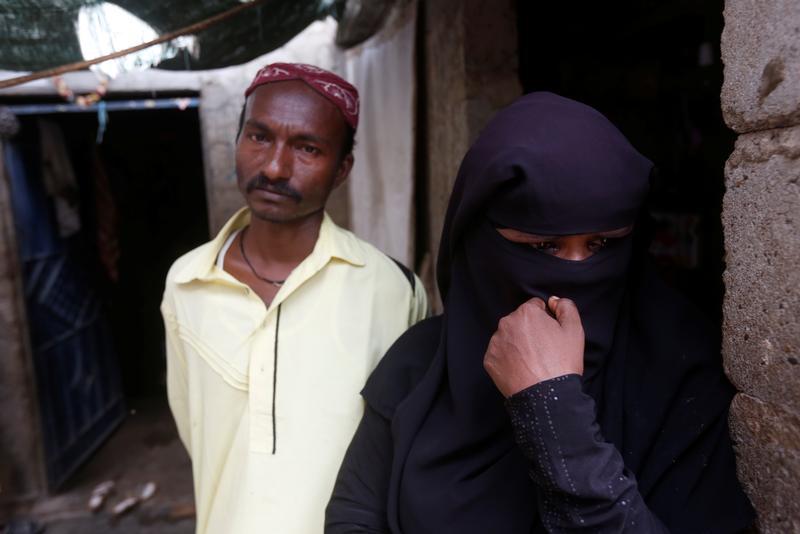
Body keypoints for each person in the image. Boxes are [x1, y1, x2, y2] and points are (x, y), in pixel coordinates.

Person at [325, 92, 754, 533]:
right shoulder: (419, 365)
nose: (575, 277)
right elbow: (353, 517)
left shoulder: (679, 373)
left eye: (601, 245)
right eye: (543, 247)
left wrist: (552, 408)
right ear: (478, 243)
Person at [161, 63, 428, 534]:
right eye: (259, 137)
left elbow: (403, 450)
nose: (275, 167)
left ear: (342, 168)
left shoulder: (393, 291)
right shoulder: (187, 284)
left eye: (307, 148)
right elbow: (197, 434)